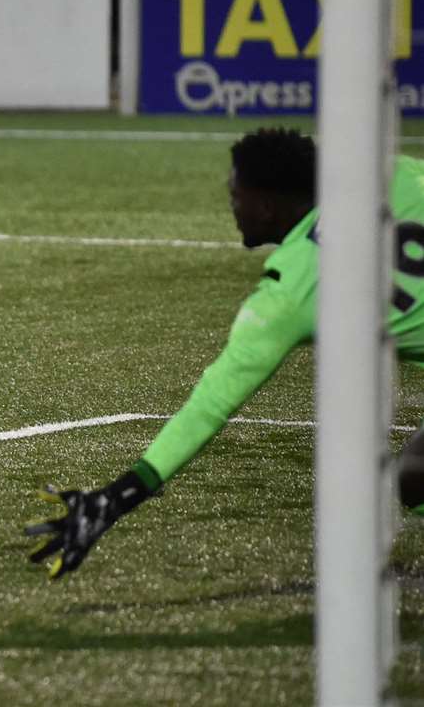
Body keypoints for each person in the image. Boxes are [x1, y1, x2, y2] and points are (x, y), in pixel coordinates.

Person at [26, 128, 424, 581]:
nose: (232, 206)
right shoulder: (387, 176)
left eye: (236, 196)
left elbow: (211, 405)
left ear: (266, 206)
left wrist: (114, 500)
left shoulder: (289, 292)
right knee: (415, 475)